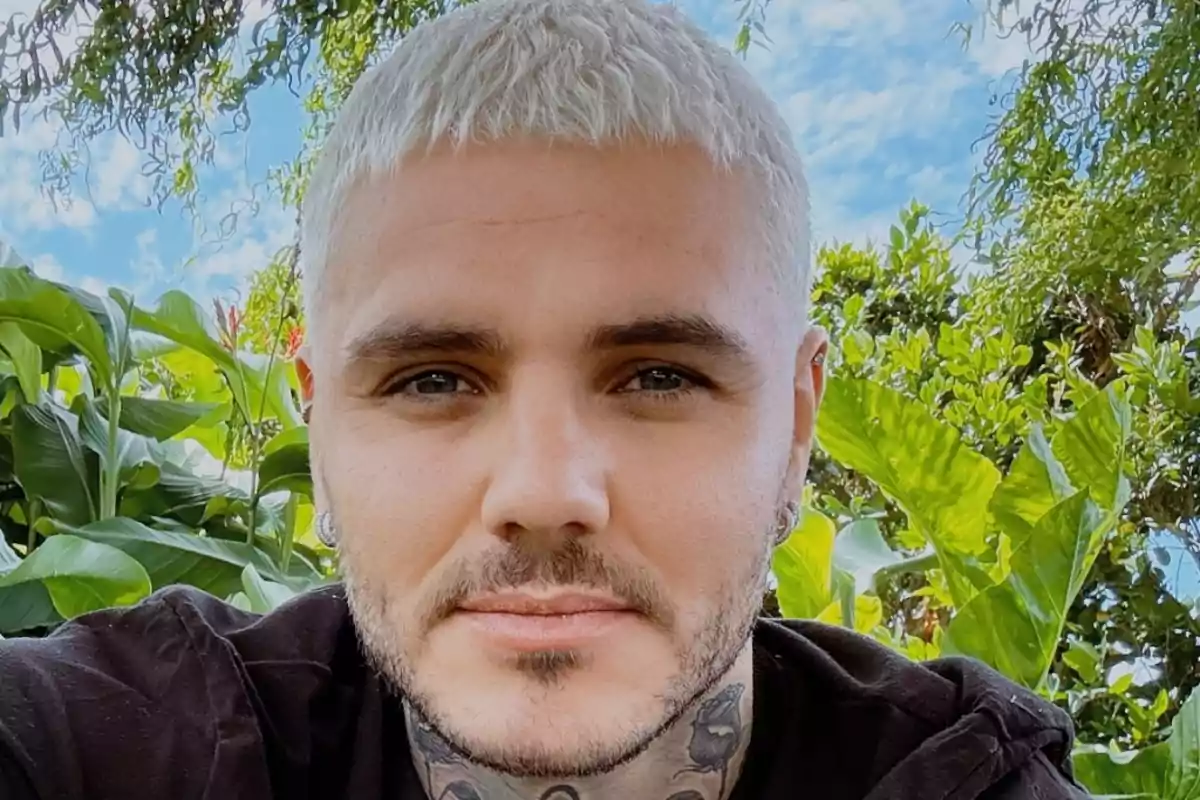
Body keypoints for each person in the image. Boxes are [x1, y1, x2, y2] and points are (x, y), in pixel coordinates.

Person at [0, 1, 1092, 798]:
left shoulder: (953, 778)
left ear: (798, 425)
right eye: (433, 379)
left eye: (660, 375)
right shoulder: (126, 744)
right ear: (317, 420)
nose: (543, 489)